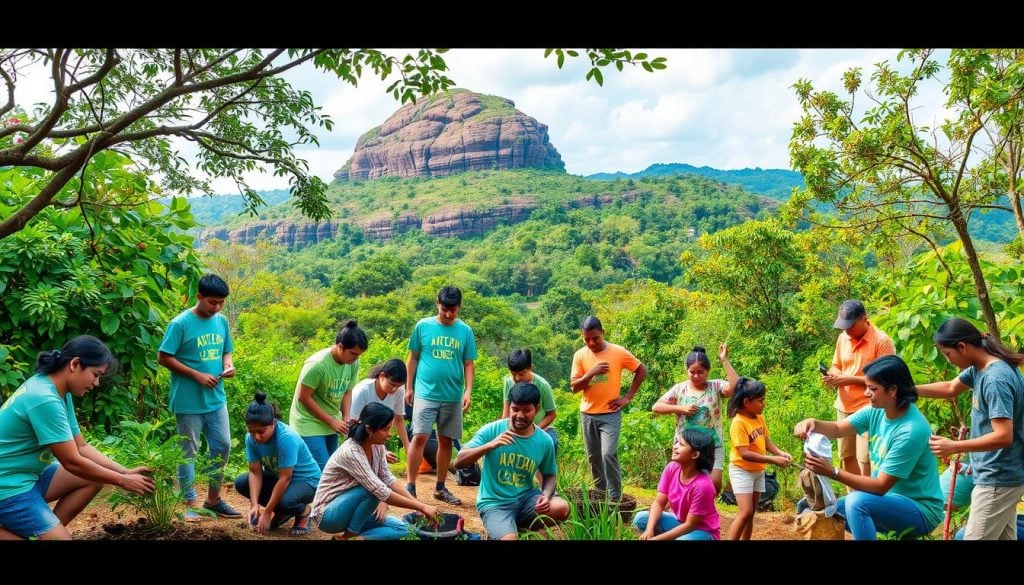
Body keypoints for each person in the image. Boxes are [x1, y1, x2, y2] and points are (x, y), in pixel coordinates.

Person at [0, 336, 155, 540]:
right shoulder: (44, 399)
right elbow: (72, 461)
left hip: (27, 476)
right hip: (8, 486)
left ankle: (42, 533)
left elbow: (81, 446)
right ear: (75, 364)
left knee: (92, 478)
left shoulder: (57, 390)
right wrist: (122, 481)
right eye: (95, 374)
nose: (96, 383)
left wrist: (123, 471)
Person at [795, 355, 944, 540]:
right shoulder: (878, 410)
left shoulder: (911, 430)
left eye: (872, 388)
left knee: (857, 503)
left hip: (920, 510)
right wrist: (812, 423)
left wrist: (832, 471)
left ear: (893, 390)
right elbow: (838, 428)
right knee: (831, 510)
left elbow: (881, 486)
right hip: (889, 501)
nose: (866, 393)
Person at [915, 318, 1024, 540]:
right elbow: (950, 388)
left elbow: (1004, 436)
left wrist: (954, 446)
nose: (948, 360)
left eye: (948, 354)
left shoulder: (995, 379)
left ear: (962, 347)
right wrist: (907, 391)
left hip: (999, 476)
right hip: (995, 474)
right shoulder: (979, 368)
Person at [157, 273, 240, 520]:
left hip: (216, 398)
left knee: (223, 446)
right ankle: (190, 500)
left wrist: (228, 366)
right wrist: (196, 375)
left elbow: (227, 351)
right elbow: (163, 357)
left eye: (221, 302)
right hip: (188, 401)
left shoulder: (221, 321)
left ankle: (213, 500)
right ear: (199, 297)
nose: (217, 307)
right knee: (188, 451)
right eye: (212, 302)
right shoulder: (180, 324)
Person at [453, 382, 569, 540]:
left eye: (527, 410)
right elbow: (459, 461)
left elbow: (549, 475)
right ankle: (504, 529)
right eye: (515, 409)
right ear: (510, 407)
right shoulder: (492, 430)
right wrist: (490, 445)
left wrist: (546, 495)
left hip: (526, 499)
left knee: (561, 507)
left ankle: (513, 526)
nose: (520, 415)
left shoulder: (544, 441)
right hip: (494, 503)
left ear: (537, 409)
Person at [310, 403, 438, 540]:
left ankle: (356, 539)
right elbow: (379, 489)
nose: (389, 434)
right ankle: (350, 535)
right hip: (328, 515)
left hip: (350, 510)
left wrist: (417, 507)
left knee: (401, 528)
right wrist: (423, 507)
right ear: (369, 430)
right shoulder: (351, 452)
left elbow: (388, 478)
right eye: (386, 429)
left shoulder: (377, 446)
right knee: (371, 490)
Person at [404, 285, 477, 505]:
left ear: (459, 308)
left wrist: (468, 391)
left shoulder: (465, 331)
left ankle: (440, 487)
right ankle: (410, 486)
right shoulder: (423, 326)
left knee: (446, 441)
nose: (448, 314)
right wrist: (409, 387)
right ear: (437, 303)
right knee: (419, 437)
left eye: (453, 310)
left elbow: (468, 363)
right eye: (445, 308)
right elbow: (413, 357)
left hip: (453, 395)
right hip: (426, 392)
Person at [570, 315, 647, 501]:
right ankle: (600, 495)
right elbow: (574, 387)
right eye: (586, 338)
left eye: (595, 337)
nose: (591, 342)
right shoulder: (580, 355)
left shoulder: (618, 352)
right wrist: (591, 373)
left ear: (603, 333)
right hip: (587, 413)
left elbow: (641, 370)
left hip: (610, 413)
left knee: (608, 454)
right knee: (594, 457)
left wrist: (628, 397)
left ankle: (615, 498)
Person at [824, 299, 896, 477]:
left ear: (864, 319)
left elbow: (886, 379)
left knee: (866, 459)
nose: (847, 331)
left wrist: (851, 379)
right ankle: (853, 498)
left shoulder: (881, 341)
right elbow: (836, 365)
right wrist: (835, 375)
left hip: (869, 407)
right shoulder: (843, 338)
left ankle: (868, 499)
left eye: (851, 326)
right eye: (844, 327)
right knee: (846, 456)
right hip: (844, 406)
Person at [652, 343, 737, 492]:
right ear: (687, 370)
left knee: (714, 485)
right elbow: (656, 407)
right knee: (683, 483)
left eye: (701, 372)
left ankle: (702, 512)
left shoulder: (715, 387)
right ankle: (684, 510)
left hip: (712, 443)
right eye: (692, 372)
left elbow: (735, 387)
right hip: (685, 445)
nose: (696, 376)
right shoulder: (680, 389)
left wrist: (725, 360)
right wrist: (680, 408)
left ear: (708, 371)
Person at [235, 391, 321, 536]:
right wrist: (254, 505)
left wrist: (267, 512)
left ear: (273, 424)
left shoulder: (286, 438)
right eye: (251, 431)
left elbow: (285, 478)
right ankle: (282, 512)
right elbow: (255, 472)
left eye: (261, 431)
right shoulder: (251, 439)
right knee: (242, 483)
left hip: (306, 481)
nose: (256, 437)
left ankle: (303, 512)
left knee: (284, 502)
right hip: (280, 478)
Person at [289, 320, 367, 471]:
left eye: (358, 356)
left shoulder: (353, 363)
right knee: (322, 471)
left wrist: (345, 417)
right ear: (340, 346)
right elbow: (303, 397)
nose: (355, 359)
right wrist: (331, 421)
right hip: (308, 422)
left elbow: (347, 391)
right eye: (353, 354)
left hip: (332, 422)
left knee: (333, 469)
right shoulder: (317, 365)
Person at [727, 377, 792, 540]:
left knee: (751, 513)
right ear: (747, 402)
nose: (764, 404)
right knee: (745, 512)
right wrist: (773, 460)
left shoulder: (758, 418)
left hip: (758, 471)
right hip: (741, 471)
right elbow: (744, 453)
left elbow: (765, 440)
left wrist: (779, 452)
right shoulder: (738, 423)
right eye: (761, 401)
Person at [632, 430, 720, 540]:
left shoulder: (703, 486)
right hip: (679, 522)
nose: (675, 446)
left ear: (695, 454)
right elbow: (659, 503)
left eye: (681, 444)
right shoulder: (672, 468)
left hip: (702, 531)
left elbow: (690, 525)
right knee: (641, 518)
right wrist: (649, 530)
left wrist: (656, 539)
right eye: (677, 442)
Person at [350, 359, 409, 462]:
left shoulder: (399, 391)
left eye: (399, 386)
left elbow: (399, 420)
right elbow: (352, 424)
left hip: (379, 439)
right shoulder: (363, 391)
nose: (395, 389)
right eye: (392, 384)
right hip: (359, 438)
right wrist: (380, 452)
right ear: (382, 376)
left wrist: (408, 447)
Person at [500, 348, 557, 452]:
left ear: (530, 368)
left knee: (551, 445)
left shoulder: (542, 385)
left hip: (542, 428)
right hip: (516, 426)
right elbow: (506, 410)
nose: (517, 378)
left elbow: (551, 414)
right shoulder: (508, 382)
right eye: (513, 374)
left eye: (521, 374)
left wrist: (533, 431)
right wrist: (504, 430)